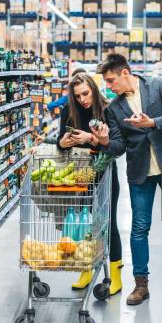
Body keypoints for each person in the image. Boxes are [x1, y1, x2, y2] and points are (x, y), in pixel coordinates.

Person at [91, 53, 162, 306]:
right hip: (139, 173)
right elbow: (119, 146)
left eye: (111, 80)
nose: (109, 87)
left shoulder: (158, 86)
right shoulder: (113, 108)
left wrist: (152, 122)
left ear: (125, 72)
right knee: (139, 229)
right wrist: (104, 142)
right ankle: (140, 285)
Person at [56, 73, 123, 297]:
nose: (83, 99)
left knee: (108, 222)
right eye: (78, 96)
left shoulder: (108, 109)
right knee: (84, 221)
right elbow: (60, 141)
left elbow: (115, 147)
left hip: (104, 174)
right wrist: (63, 142)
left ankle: (116, 277)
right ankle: (84, 269)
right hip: (80, 173)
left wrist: (93, 139)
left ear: (93, 88)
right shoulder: (68, 110)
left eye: (86, 93)